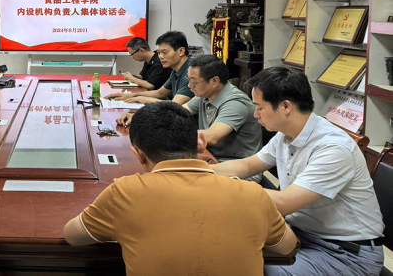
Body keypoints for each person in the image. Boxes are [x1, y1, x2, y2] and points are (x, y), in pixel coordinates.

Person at [63, 102, 298, 276]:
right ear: (200, 144)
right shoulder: (254, 194)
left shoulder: (124, 192)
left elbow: (73, 236)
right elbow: (287, 246)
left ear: (138, 154)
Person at [212, 67, 384, 276]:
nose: (255, 114)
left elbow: (285, 202)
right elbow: (247, 166)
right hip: (301, 234)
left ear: (286, 106)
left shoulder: (332, 147)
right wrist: (199, 171)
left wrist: (219, 186)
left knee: (250, 268)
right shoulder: (285, 135)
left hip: (345, 253)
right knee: (221, 246)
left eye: (259, 107)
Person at [183, 55, 262, 169]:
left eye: (194, 82)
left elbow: (212, 137)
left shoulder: (235, 102)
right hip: (211, 157)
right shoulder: (205, 95)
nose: (190, 86)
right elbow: (178, 112)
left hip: (237, 166)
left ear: (214, 81)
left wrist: (172, 135)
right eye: (189, 80)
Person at [110, 31, 194, 125]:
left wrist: (144, 99)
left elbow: (174, 105)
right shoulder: (175, 69)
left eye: (164, 52)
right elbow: (160, 93)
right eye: (159, 53)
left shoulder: (191, 72)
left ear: (181, 51)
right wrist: (131, 96)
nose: (161, 57)